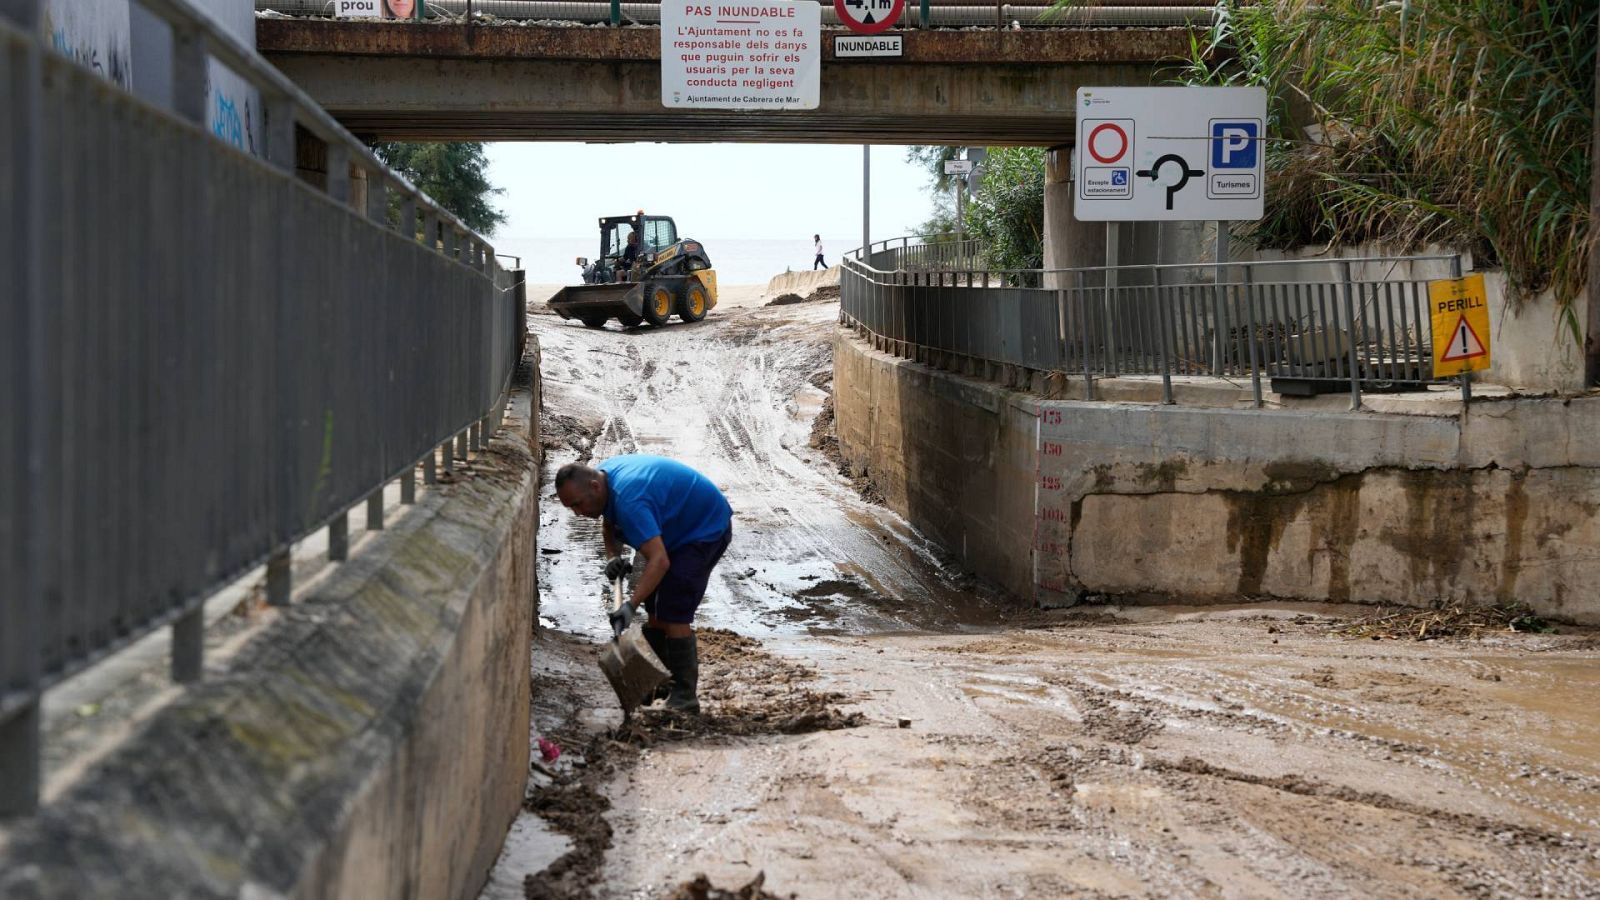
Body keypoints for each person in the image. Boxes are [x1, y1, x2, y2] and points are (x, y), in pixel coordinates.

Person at [555, 455, 733, 714]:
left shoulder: (629, 499)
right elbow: (610, 521)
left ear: (594, 486)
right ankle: (658, 682)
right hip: (675, 528)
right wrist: (612, 557)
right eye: (571, 508)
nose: (578, 513)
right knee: (656, 606)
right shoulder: (604, 481)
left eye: (578, 504)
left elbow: (659, 561)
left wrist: (630, 606)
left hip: (703, 529)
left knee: (673, 607)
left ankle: (685, 697)